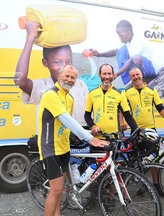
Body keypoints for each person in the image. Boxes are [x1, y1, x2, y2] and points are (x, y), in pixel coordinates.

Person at [37, 65, 108, 216]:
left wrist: (83, 134)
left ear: (76, 81)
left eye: (72, 77)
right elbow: (65, 118)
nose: (69, 79)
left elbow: (67, 124)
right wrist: (90, 138)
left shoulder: (69, 97)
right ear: (59, 76)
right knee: (55, 190)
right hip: (51, 147)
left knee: (60, 189)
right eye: (67, 76)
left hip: (64, 147)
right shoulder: (51, 95)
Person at [15, 20, 89, 133]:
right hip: (53, 147)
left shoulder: (80, 85)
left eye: (69, 62)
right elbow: (20, 80)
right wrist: (30, 37)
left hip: (80, 145)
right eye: (58, 62)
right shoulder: (41, 87)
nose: (64, 67)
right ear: (45, 63)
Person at [125, 67, 164, 196]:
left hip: (151, 129)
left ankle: (156, 186)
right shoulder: (127, 93)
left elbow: (160, 107)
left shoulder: (151, 90)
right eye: (133, 75)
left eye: (137, 74)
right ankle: (144, 184)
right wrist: (122, 123)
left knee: (154, 159)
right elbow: (123, 110)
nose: (136, 77)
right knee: (139, 160)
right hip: (136, 131)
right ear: (131, 78)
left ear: (142, 75)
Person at [90, 20, 161, 86]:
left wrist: (116, 74)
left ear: (128, 33)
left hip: (152, 69)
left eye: (121, 35)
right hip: (144, 67)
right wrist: (100, 54)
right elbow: (115, 51)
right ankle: (132, 78)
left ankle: (142, 79)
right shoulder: (127, 42)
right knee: (121, 51)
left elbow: (131, 61)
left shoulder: (137, 41)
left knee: (136, 58)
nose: (119, 38)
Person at [84, 63, 138, 139]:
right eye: (104, 74)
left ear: (113, 75)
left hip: (115, 139)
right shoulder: (92, 93)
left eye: (109, 74)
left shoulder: (119, 94)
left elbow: (127, 116)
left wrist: (138, 131)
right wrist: (93, 126)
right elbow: (87, 115)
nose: (107, 77)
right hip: (97, 138)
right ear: (99, 75)